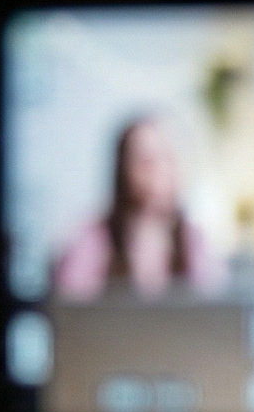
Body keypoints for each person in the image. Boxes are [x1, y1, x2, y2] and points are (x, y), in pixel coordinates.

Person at [52, 115, 229, 301]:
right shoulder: (92, 237)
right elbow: (73, 310)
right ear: (123, 169)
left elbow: (215, 306)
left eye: (167, 158)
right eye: (146, 160)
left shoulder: (194, 241)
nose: (159, 169)